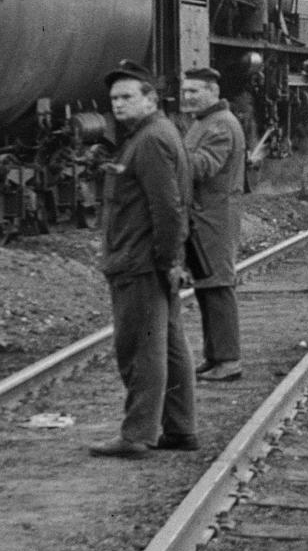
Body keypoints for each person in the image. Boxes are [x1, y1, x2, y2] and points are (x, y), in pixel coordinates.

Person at [89, 61, 198, 459]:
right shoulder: (153, 134)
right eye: (114, 98)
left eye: (127, 97)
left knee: (140, 348)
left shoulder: (150, 140)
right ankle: (181, 428)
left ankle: (137, 434)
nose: (117, 104)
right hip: (147, 258)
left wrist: (168, 260)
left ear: (150, 99)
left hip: (139, 262)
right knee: (168, 345)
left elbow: (167, 209)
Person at [178, 67, 245, 383]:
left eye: (195, 91)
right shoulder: (206, 122)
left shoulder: (219, 125)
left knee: (217, 287)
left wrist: (170, 157)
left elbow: (205, 166)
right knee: (207, 287)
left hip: (214, 217)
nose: (188, 97)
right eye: (186, 91)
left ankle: (228, 361)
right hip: (205, 216)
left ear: (213, 92)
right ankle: (214, 356)